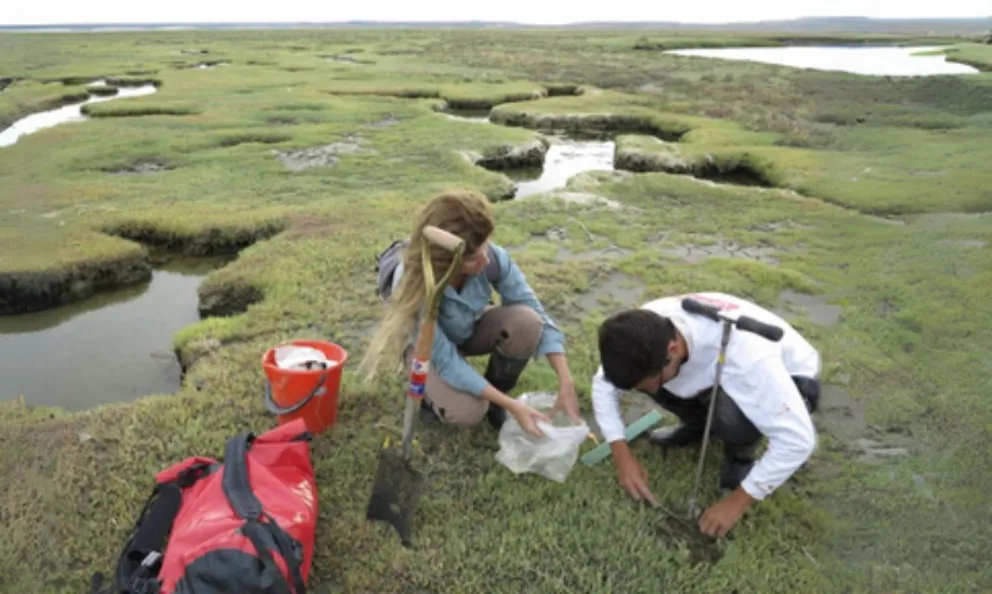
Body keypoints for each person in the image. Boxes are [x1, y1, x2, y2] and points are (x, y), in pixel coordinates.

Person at [590, 291, 821, 538]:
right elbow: (603, 385)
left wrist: (738, 501)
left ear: (673, 348)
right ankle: (699, 426)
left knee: (731, 414)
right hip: (709, 368)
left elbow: (798, 441)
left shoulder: (747, 361)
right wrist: (621, 454)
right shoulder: (641, 335)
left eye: (650, 384)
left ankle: (741, 457)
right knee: (660, 381)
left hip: (793, 378)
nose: (649, 393)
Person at [360, 189, 582, 438]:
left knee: (527, 321)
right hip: (427, 349)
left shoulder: (491, 258)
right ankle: (431, 400)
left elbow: (534, 309)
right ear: (446, 262)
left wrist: (566, 381)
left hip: (466, 327)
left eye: (485, 248)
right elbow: (446, 360)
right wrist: (515, 406)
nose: (485, 261)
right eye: (474, 258)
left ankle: (497, 397)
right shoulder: (414, 285)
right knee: (468, 411)